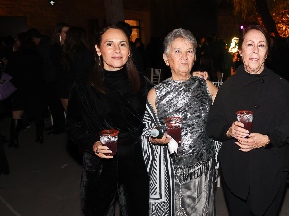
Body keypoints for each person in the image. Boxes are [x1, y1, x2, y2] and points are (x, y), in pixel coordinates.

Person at [206, 24, 289, 216]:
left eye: (261, 45)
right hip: (235, 170)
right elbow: (212, 125)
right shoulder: (228, 87)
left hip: (270, 170)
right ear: (240, 51)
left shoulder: (280, 85)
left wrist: (268, 139)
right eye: (250, 44)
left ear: (266, 53)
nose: (255, 50)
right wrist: (229, 131)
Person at [65, 25, 152, 215]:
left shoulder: (142, 83)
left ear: (129, 50)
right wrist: (92, 144)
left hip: (134, 159)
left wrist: (193, 79)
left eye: (123, 44)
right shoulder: (83, 86)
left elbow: (164, 105)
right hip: (99, 163)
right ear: (98, 49)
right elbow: (72, 124)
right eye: (109, 44)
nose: (117, 50)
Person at [144, 28, 218, 215]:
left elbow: (225, 116)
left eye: (189, 51)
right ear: (166, 58)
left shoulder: (206, 86)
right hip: (171, 174)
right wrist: (156, 137)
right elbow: (147, 132)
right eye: (177, 51)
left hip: (203, 171)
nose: (184, 57)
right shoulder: (155, 94)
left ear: (194, 58)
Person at [5, 32, 46, 146]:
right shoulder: (37, 55)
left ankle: (14, 140)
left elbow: (8, 73)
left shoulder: (16, 56)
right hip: (36, 87)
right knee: (38, 112)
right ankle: (39, 136)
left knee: (16, 114)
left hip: (20, 88)